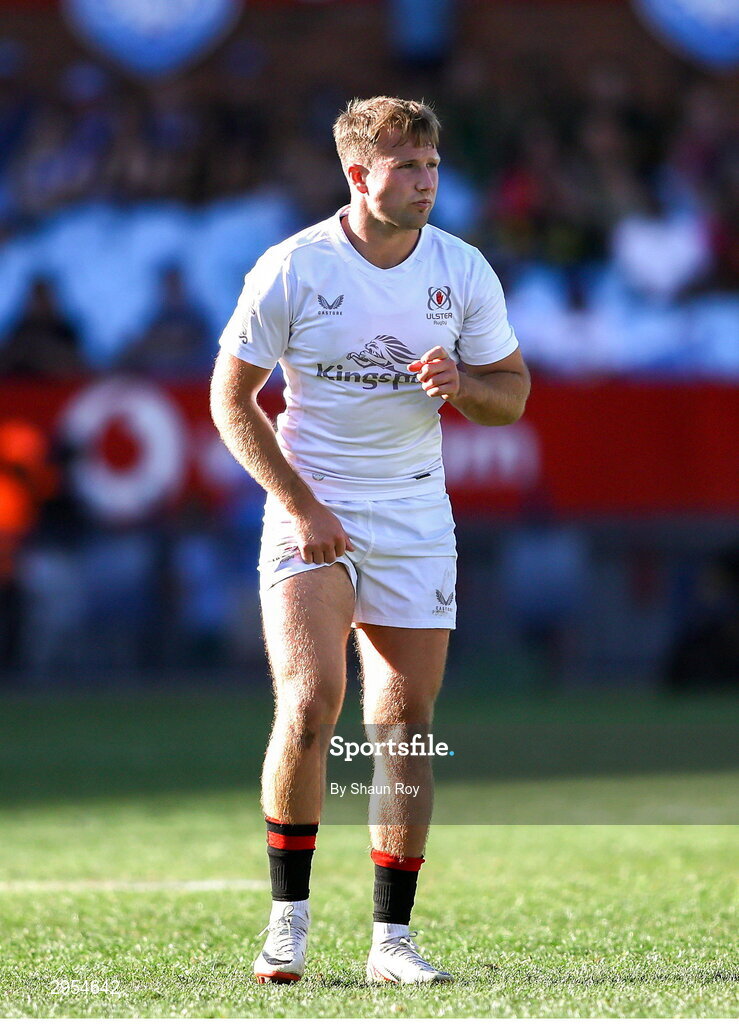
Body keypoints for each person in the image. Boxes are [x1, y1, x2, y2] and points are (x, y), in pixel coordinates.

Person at [210, 96, 530, 985]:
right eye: (407, 169)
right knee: (312, 704)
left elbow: (511, 394)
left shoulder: (460, 268)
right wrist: (300, 504)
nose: (426, 184)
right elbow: (229, 400)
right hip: (315, 508)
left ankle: (391, 942)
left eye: (432, 168)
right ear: (358, 174)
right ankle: (288, 924)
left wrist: (462, 381)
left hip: (416, 514)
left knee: (403, 728)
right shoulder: (293, 267)